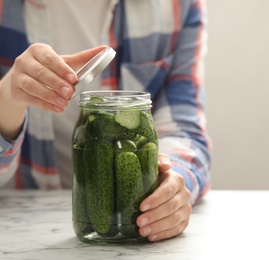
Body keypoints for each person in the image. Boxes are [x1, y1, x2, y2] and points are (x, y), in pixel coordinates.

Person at [0, 0, 211, 242]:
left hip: (133, 225)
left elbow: (186, 131)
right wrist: (7, 98)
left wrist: (171, 186)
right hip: (15, 230)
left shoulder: (180, 5)